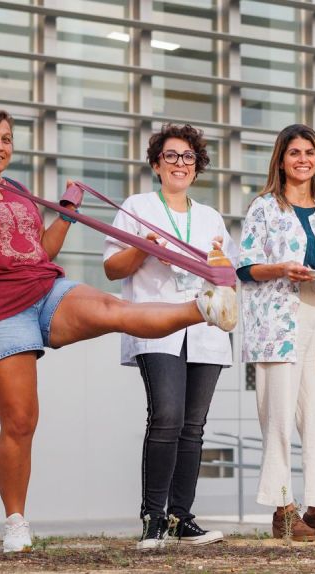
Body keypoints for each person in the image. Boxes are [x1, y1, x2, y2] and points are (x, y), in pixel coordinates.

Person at [0, 110, 237, 554]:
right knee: (21, 420)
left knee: (115, 309)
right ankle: (16, 524)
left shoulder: (18, 192)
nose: (0, 146)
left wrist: (65, 215)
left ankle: (204, 307)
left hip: (44, 290)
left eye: (7, 139)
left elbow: (40, 251)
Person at [103, 124, 235, 550]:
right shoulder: (138, 206)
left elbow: (228, 273)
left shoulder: (211, 216)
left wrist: (219, 263)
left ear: (197, 167)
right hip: (156, 326)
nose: (181, 163)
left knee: (193, 427)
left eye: (188, 157)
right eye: (172, 156)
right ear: (157, 164)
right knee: (167, 417)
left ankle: (181, 518)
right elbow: (112, 268)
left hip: (205, 329)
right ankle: (153, 518)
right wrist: (144, 247)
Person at [237, 124, 315, 541]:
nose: (303, 159)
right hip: (278, 325)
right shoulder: (264, 208)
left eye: (310, 152)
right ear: (281, 159)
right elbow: (244, 267)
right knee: (279, 419)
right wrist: (281, 268)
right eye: (295, 152)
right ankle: (283, 509)